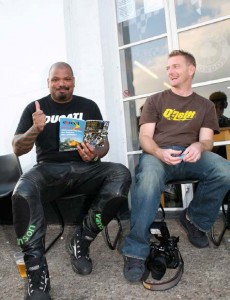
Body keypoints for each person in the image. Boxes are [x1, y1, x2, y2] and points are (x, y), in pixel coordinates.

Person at [12, 62, 131, 300]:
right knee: (22, 190)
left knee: (121, 173)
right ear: (49, 83)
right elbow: (17, 147)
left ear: (74, 81)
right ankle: (36, 273)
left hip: (86, 169)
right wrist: (35, 129)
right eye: (56, 79)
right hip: (49, 171)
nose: (62, 83)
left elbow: (102, 145)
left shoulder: (88, 106)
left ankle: (81, 240)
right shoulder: (35, 108)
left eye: (66, 79)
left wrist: (95, 152)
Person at [121, 50, 230, 283]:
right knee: (148, 179)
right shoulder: (155, 100)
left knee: (224, 170)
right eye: (168, 68)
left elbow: (208, 140)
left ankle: (195, 220)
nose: (170, 71)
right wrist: (159, 152)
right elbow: (145, 138)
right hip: (159, 155)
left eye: (176, 66)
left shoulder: (205, 106)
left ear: (191, 70)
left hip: (191, 155)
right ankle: (135, 250)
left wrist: (199, 147)